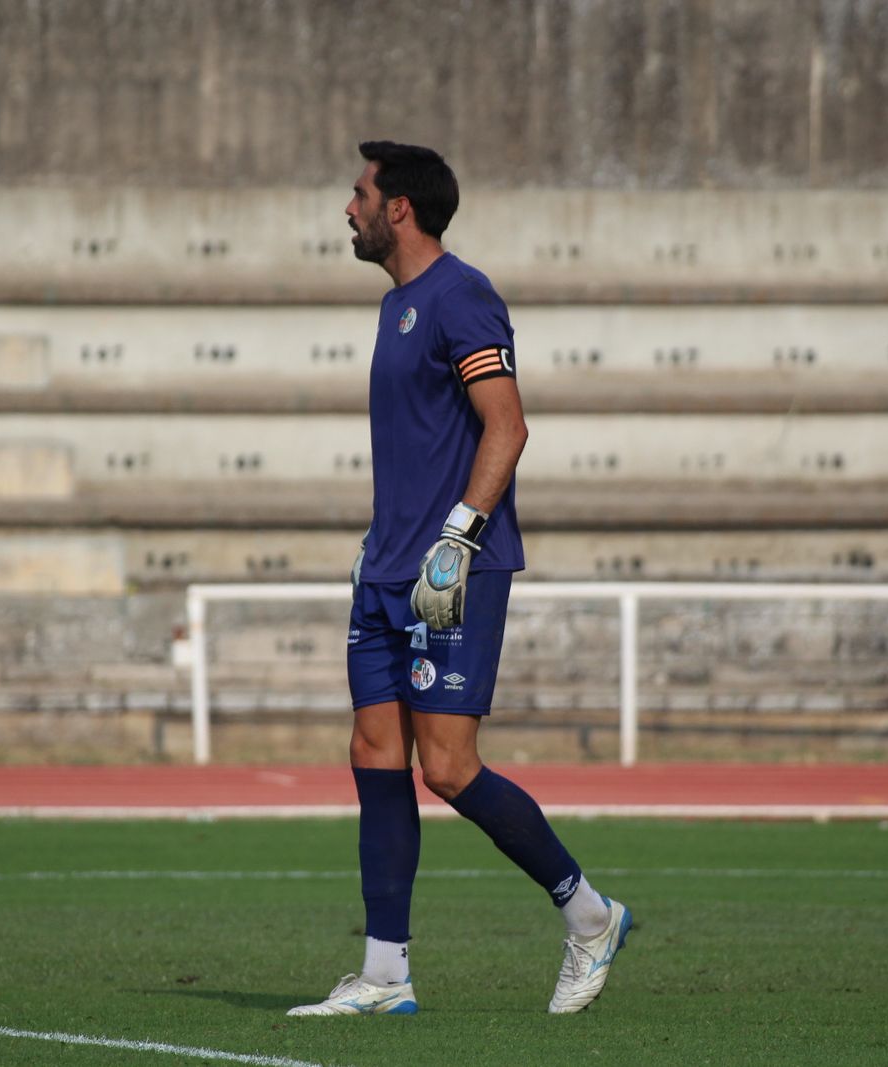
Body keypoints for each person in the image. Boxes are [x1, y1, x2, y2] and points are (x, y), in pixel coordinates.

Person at [287, 141, 632, 1017]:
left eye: (360, 194)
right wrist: (381, 542)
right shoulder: (396, 305)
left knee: (446, 768)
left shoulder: (462, 296)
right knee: (373, 754)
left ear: (399, 207)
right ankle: (384, 975)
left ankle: (590, 916)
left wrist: (458, 537)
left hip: (452, 571)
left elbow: (507, 427)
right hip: (386, 570)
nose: (349, 208)